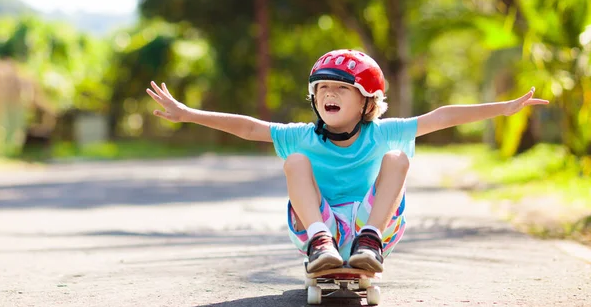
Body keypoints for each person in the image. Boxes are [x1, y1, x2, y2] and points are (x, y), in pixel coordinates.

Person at [146, 49, 549, 274]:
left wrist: (504, 109)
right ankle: (321, 242)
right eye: (322, 88)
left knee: (397, 157)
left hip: (371, 224)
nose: (328, 95)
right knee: (295, 162)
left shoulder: (383, 132)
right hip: (314, 226)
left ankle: (369, 240)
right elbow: (250, 128)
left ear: (367, 101)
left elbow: (442, 116)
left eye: (341, 87)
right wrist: (190, 113)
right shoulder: (302, 136)